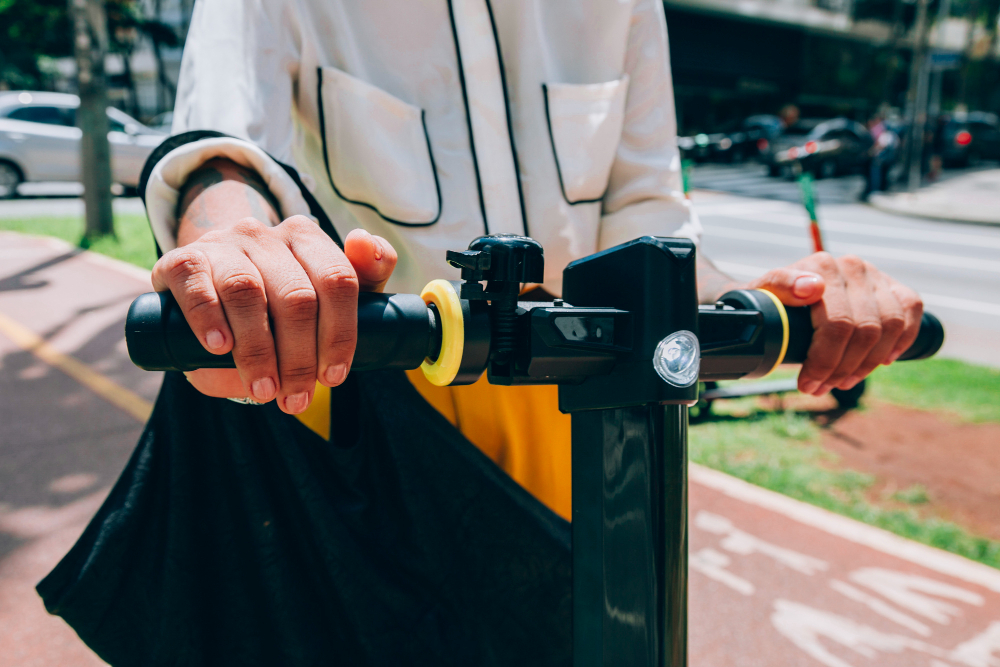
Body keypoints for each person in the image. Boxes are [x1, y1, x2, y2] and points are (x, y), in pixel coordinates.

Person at [40, 2, 924, 662]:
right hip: (373, 447)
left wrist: (792, 300)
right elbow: (225, 148)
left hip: (592, 455)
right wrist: (232, 239)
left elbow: (653, 227)